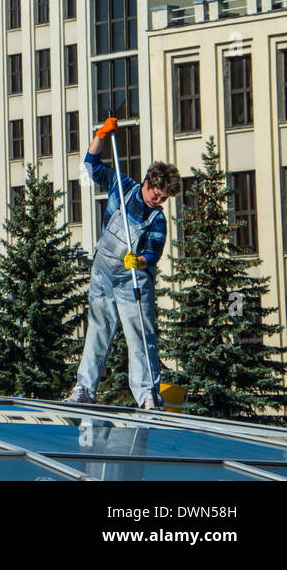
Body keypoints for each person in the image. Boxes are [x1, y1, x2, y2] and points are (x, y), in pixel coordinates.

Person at [67, 117, 183, 409]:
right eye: (158, 195)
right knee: (98, 329)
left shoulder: (156, 219)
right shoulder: (122, 185)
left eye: (164, 198)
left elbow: (154, 253)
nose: (159, 201)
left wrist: (140, 261)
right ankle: (84, 388)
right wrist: (101, 135)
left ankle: (148, 394)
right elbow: (91, 164)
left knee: (141, 334)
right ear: (148, 183)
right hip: (104, 273)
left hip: (134, 278)